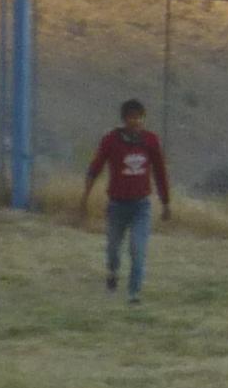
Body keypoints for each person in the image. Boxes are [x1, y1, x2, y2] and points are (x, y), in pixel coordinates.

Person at [76, 100, 178, 300]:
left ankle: (134, 293)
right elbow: (95, 167)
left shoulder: (150, 141)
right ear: (124, 119)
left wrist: (166, 203)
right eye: (132, 117)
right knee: (113, 248)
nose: (136, 121)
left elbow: (160, 172)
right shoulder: (111, 140)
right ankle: (112, 273)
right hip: (117, 205)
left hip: (141, 205)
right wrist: (85, 197)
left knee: (137, 249)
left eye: (139, 117)